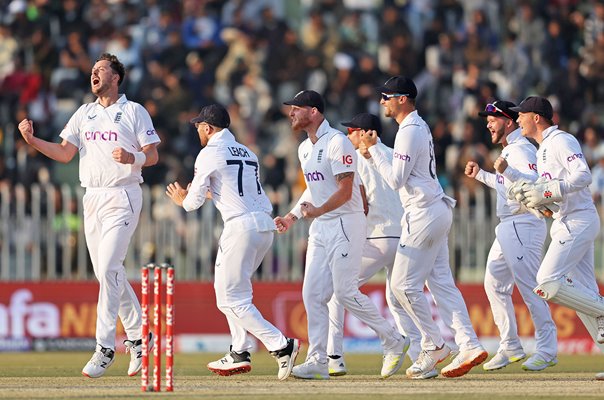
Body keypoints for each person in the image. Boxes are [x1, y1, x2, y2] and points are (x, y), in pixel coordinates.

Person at [17, 53, 160, 378]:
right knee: (108, 273)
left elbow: (153, 155)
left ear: (116, 76)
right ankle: (141, 338)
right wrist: (32, 140)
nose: (93, 74)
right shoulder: (85, 113)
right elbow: (65, 153)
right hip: (92, 198)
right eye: (92, 70)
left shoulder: (133, 110)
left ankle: (105, 347)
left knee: (109, 267)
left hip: (123, 195)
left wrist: (132, 156)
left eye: (100, 70)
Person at [359, 76, 487, 379]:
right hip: (435, 208)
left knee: (401, 286)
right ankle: (468, 343)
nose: (382, 102)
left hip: (423, 212)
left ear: (403, 99)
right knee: (441, 284)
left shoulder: (410, 130)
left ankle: (434, 345)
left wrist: (374, 149)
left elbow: (395, 180)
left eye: (387, 97)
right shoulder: (418, 127)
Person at [275, 90, 409, 380]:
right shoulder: (304, 149)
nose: (291, 114)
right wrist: (292, 216)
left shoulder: (337, 142)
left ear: (314, 111)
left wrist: (319, 210)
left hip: (346, 223)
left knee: (345, 292)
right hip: (321, 225)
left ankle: (394, 339)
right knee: (312, 294)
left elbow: (346, 191)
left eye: (296, 109)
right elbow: (314, 188)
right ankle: (318, 360)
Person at [165, 103, 299, 380]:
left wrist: (182, 200)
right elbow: (238, 190)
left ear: (208, 128)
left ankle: (281, 345)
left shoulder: (208, 153)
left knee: (228, 299)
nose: (197, 130)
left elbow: (192, 204)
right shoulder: (248, 152)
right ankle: (239, 350)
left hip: (240, 227)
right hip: (263, 224)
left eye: (199, 126)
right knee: (237, 294)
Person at [508, 96, 604, 380]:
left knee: (547, 282)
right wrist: (533, 195)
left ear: (536, 117)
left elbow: (583, 177)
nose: (517, 120)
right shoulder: (542, 149)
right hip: (565, 221)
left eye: (521, 115)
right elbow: (550, 192)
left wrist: (547, 193)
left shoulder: (561, 140)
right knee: (586, 294)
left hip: (579, 220)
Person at [326, 113, 422, 376]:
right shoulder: (395, 154)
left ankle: (334, 356)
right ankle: (420, 358)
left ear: (366, 133)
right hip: (405, 235)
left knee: (337, 291)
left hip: (377, 237)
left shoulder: (353, 159)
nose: (347, 137)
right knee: (398, 299)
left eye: (352, 131)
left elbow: (356, 200)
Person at [465, 100, 558, 371]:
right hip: (509, 225)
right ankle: (510, 345)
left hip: (523, 224)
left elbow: (532, 184)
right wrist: (482, 175)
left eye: (493, 119)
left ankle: (547, 349)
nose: (488, 123)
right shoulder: (510, 151)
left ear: (508, 121)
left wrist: (504, 171)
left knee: (531, 288)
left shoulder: (520, 149)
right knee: (493, 284)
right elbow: (508, 184)